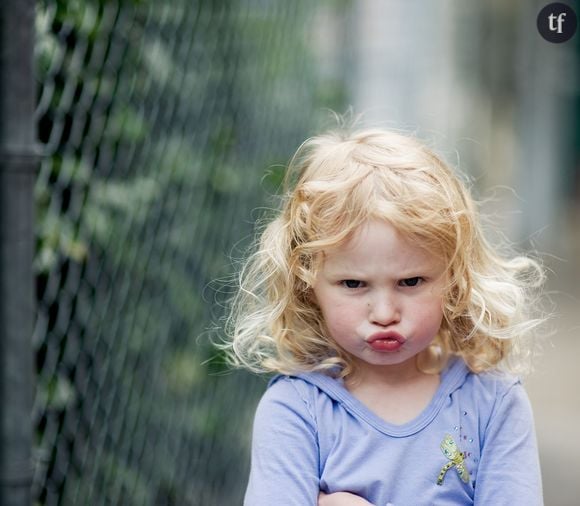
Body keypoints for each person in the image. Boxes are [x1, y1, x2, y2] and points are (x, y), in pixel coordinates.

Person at [222, 127, 546, 505]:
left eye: (410, 281)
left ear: (455, 278)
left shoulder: (492, 403)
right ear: (309, 285)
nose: (385, 313)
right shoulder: (296, 411)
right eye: (353, 284)